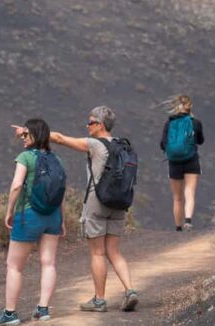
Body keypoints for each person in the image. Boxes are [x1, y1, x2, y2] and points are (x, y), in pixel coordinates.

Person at [50, 106, 139, 313]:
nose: (87, 126)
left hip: (97, 201)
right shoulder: (122, 146)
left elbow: (61, 139)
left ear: (99, 125)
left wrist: (32, 132)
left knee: (98, 253)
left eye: (90, 123)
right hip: (119, 203)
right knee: (115, 252)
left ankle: (99, 300)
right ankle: (130, 290)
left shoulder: (95, 145)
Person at [0, 118, 65, 325]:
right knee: (48, 262)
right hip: (53, 216)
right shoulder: (56, 158)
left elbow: (16, 186)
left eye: (26, 135)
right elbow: (61, 191)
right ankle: (43, 309)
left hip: (29, 215)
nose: (23, 138)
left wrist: (9, 211)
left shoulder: (25, 157)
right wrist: (62, 219)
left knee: (14, 266)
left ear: (33, 136)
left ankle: (10, 313)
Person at [160, 95, 204, 231]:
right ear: (190, 107)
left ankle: (178, 228)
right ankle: (188, 221)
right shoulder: (195, 122)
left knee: (177, 197)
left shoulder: (169, 123)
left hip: (174, 162)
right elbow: (201, 141)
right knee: (189, 192)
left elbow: (163, 144)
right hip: (191, 160)